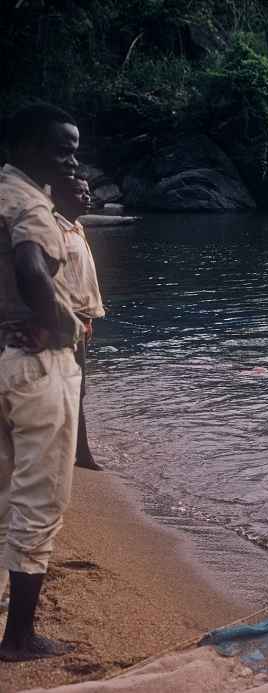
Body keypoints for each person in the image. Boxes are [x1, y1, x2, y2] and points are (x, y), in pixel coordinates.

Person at [0, 102, 84, 661]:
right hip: (34, 369)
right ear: (28, 148)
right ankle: (20, 638)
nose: (73, 157)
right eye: (61, 148)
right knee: (39, 500)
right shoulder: (29, 205)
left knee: (5, 488)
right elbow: (31, 269)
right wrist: (55, 329)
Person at [53, 175, 105, 471]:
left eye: (87, 192)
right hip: (65, 322)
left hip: (81, 320)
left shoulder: (77, 227)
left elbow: (81, 280)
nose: (86, 197)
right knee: (75, 388)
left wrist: (90, 316)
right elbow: (51, 282)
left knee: (73, 388)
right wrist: (73, 319)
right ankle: (80, 453)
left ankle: (72, 449)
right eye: (79, 192)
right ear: (59, 196)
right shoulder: (54, 231)